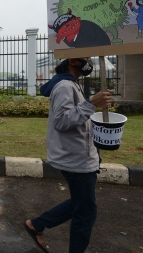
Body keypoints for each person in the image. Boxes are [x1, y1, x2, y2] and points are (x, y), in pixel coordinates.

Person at [23, 57, 112, 253]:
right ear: (73, 60)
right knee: (86, 211)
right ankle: (38, 225)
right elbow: (62, 121)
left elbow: (76, 116)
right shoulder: (64, 86)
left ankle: (37, 225)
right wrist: (91, 103)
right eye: (86, 58)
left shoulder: (72, 83)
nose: (90, 62)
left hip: (80, 154)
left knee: (81, 203)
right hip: (76, 158)